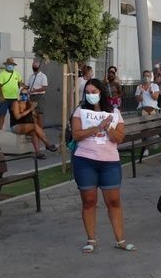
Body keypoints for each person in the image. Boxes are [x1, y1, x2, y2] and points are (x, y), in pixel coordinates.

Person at [71, 78, 135, 253]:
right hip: (85, 160)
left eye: (94, 92)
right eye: (87, 92)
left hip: (109, 162)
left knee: (113, 201)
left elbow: (119, 138)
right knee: (89, 201)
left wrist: (107, 127)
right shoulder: (80, 111)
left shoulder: (114, 112)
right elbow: (76, 134)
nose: (90, 95)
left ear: (101, 92)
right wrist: (97, 127)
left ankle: (120, 240)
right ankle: (91, 240)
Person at [10, 88, 58, 159]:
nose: (23, 96)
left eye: (25, 94)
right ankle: (48, 144)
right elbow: (17, 117)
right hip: (16, 126)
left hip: (27, 126)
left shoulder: (29, 103)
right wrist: (30, 109)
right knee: (35, 126)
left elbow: (34, 117)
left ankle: (38, 153)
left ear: (28, 95)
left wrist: (33, 111)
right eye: (22, 94)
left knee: (34, 132)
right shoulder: (16, 103)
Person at [0, 58, 22, 130]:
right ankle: (1, 129)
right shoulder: (2, 74)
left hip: (14, 98)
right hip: (4, 98)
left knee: (14, 114)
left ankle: (13, 129)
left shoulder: (17, 73)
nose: (10, 66)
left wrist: (23, 86)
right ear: (6, 65)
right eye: (9, 64)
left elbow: (20, 82)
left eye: (12, 64)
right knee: (2, 114)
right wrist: (1, 96)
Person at [26, 60, 48, 128]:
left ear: (39, 66)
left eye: (36, 65)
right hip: (31, 97)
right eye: (33, 65)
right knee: (33, 115)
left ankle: (41, 130)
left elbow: (44, 88)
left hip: (39, 97)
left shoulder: (43, 76)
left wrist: (35, 90)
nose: (34, 67)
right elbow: (28, 87)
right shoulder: (31, 76)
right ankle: (35, 129)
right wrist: (22, 85)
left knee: (39, 115)